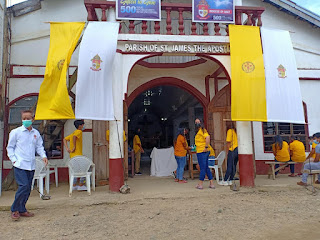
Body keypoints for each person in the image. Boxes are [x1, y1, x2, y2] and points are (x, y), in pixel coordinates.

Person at [7, 110, 48, 221]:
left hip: (31, 165)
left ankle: (22, 209)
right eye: (24, 118)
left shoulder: (35, 133)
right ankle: (14, 209)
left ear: (33, 119)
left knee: (28, 188)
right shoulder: (16, 132)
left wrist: (43, 156)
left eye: (28, 118)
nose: (26, 120)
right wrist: (14, 160)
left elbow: (39, 146)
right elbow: (10, 147)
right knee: (23, 186)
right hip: (20, 164)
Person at [63, 119, 86, 190]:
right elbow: (74, 137)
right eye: (83, 125)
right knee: (85, 169)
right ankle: (81, 185)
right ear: (80, 126)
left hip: (72, 156)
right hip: (78, 155)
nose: (83, 126)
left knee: (75, 170)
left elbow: (64, 139)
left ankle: (74, 185)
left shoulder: (73, 132)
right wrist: (74, 147)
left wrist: (67, 148)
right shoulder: (79, 132)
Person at [194, 118, 215, 189]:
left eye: (198, 122)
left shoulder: (202, 130)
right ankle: (211, 183)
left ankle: (200, 184)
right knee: (206, 168)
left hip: (202, 151)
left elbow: (208, 137)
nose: (196, 123)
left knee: (202, 167)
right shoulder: (200, 131)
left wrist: (206, 147)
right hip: (201, 150)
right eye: (195, 122)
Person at [221, 121, 238, 186]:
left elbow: (228, 142)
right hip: (237, 149)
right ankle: (230, 179)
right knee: (234, 165)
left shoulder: (229, 131)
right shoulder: (235, 131)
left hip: (232, 149)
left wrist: (228, 151)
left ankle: (225, 180)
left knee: (229, 165)